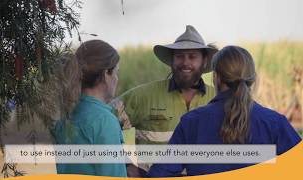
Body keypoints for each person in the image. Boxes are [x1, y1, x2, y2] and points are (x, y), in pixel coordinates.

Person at [147, 45, 302, 177]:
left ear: (216, 78)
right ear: (253, 80)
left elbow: (159, 175)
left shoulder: (191, 122)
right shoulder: (274, 123)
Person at [117, 25, 218, 176]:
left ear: (204, 61)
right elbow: (102, 121)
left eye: (192, 56)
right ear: (171, 60)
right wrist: (126, 163)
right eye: (179, 56)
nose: (185, 62)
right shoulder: (144, 95)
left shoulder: (217, 98)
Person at [53, 40, 127, 177]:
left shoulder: (66, 117)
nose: (117, 78)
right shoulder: (105, 122)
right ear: (106, 74)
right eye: (116, 72)